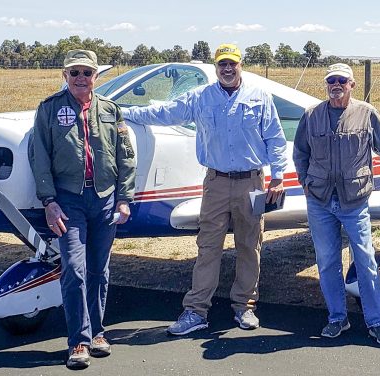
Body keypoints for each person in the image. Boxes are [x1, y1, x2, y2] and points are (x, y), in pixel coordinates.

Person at [122, 44, 287, 335]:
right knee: (208, 246)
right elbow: (165, 112)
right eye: (222, 64)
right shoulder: (201, 97)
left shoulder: (259, 97)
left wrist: (278, 176)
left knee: (250, 244)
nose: (227, 69)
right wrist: (123, 113)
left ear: (240, 65)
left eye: (232, 64)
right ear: (216, 67)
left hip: (252, 181)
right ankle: (196, 311)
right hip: (216, 183)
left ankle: (244, 306)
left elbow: (274, 136)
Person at [292, 63, 380, 345]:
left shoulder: (366, 114)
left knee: (365, 261)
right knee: (327, 262)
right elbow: (300, 152)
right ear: (326, 84)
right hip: (319, 200)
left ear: (352, 85)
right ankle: (337, 318)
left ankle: (377, 321)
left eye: (342, 80)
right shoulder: (311, 115)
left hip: (354, 201)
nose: (336, 85)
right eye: (331, 81)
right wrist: (305, 181)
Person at [29, 49, 136, 369]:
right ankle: (78, 340)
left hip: (104, 200)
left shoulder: (111, 109)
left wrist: (124, 198)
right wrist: (49, 201)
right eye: (74, 72)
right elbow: (40, 157)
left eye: (86, 73)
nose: (80, 78)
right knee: (74, 270)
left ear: (96, 77)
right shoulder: (49, 109)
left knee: (99, 271)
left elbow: (126, 156)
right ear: (65, 76)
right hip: (68, 202)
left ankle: (99, 334)